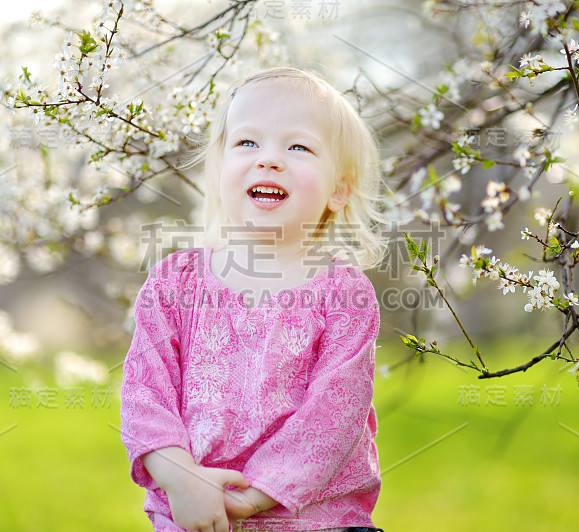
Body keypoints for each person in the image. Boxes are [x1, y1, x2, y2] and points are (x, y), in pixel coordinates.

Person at [120, 67, 387, 532]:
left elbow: (334, 415)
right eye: (247, 143)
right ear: (220, 166)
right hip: (194, 514)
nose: (269, 160)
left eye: (298, 147)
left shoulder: (343, 295)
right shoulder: (175, 283)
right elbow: (146, 394)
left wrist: (254, 497)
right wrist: (181, 478)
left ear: (339, 189)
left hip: (313, 521)